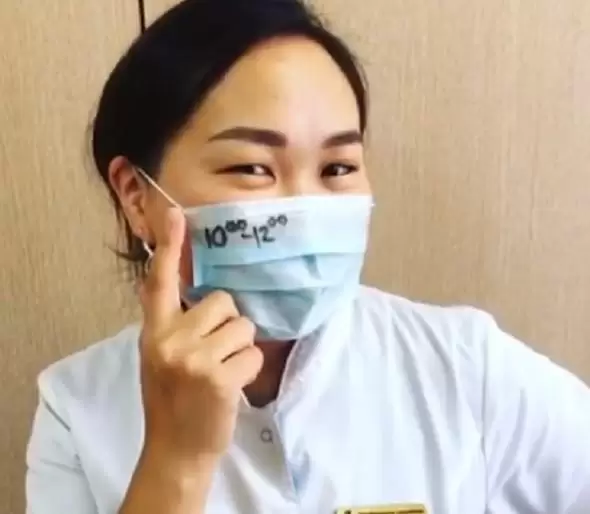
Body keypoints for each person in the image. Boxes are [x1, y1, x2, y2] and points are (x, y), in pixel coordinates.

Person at [25, 0, 590, 513]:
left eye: (337, 168)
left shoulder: (466, 366)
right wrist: (177, 462)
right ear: (136, 196)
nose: (306, 208)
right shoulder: (76, 409)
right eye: (252, 168)